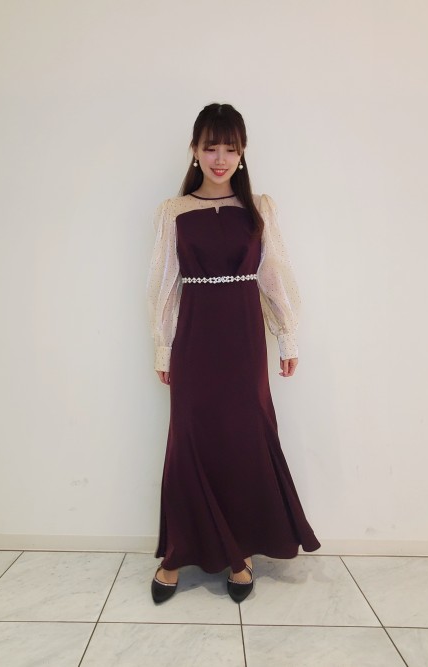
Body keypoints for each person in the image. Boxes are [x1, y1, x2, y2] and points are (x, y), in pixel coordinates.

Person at [146, 102, 320, 604]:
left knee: (243, 441)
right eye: (210, 148)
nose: (219, 158)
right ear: (194, 151)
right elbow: (163, 286)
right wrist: (163, 348)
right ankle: (176, 552)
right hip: (193, 341)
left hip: (244, 342)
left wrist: (287, 336)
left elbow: (274, 275)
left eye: (230, 148)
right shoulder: (173, 212)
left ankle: (240, 553)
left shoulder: (259, 208)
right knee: (188, 441)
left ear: (242, 153)